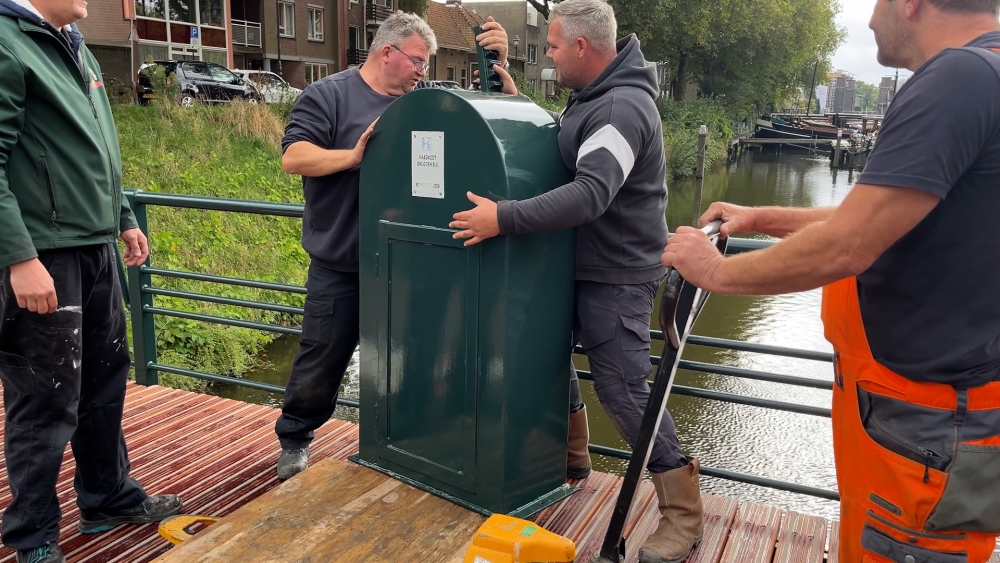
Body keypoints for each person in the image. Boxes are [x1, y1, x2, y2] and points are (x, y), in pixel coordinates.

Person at [660, 0, 1000, 560]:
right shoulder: (989, 76)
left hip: (918, 429)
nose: (869, 20)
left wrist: (713, 270)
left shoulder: (959, 77)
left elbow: (851, 242)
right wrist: (762, 217)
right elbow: (878, 219)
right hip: (939, 417)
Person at [450, 1, 703, 560]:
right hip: (578, 263)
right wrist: (515, 97)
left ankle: (682, 515)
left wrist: (503, 218)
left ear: (583, 48)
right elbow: (564, 147)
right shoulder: (594, 97)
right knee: (544, 352)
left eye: (555, 47)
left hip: (616, 275)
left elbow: (591, 192)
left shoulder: (620, 108)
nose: (551, 57)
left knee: (621, 389)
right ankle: (572, 458)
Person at [275, 12, 509, 480]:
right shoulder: (328, 95)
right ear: (388, 53)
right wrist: (354, 157)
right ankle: (296, 438)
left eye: (427, 64)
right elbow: (293, 157)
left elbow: (485, 114)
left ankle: (409, 438)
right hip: (342, 262)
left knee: (415, 354)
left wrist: (496, 65)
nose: (424, 71)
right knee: (322, 356)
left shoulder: (424, 102)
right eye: (419, 61)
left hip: (407, 263)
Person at [0, 0, 186, 559]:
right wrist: (17, 257)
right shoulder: (8, 44)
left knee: (105, 381)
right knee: (44, 396)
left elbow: (97, 151)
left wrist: (124, 217)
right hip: (43, 256)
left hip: (94, 246)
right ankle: (32, 535)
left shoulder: (73, 43)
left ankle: (106, 497)